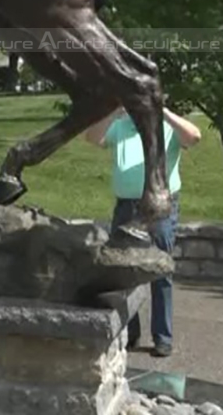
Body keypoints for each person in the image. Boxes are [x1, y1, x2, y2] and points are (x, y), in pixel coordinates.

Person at [85, 105, 201, 358]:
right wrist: (111, 111)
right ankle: (131, 333)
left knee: (160, 271)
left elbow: (194, 136)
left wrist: (163, 112)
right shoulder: (121, 126)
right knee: (123, 271)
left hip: (159, 206)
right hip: (126, 206)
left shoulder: (166, 128)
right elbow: (92, 138)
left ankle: (163, 337)